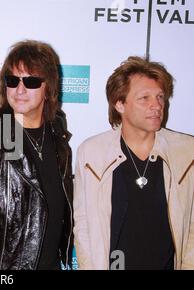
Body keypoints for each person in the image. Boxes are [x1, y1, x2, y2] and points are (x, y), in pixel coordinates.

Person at [0, 40, 74, 270]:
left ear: (48, 88)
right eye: (12, 80)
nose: (20, 90)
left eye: (30, 81)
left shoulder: (57, 134)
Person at [73, 56, 194, 270]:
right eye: (144, 98)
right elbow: (83, 225)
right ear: (120, 104)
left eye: (159, 97)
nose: (156, 105)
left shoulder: (186, 152)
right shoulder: (92, 153)